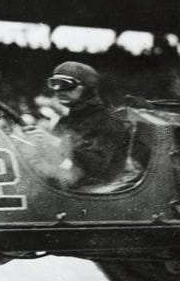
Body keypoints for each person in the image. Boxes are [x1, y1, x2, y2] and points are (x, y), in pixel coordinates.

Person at [23, 61, 131, 189]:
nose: (58, 90)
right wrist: (34, 141)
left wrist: (56, 142)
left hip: (96, 195)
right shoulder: (64, 121)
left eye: (65, 84)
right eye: (54, 84)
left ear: (86, 88)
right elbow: (57, 160)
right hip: (69, 187)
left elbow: (97, 165)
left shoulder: (108, 122)